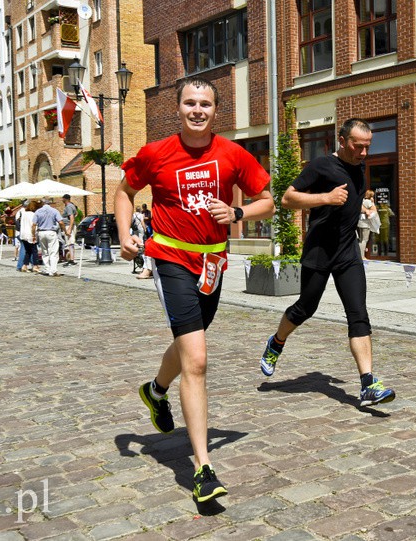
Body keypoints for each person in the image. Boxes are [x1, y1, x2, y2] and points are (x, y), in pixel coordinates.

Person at [115, 76, 274, 503]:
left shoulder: (233, 153)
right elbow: (125, 191)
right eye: (190, 103)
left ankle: (155, 391)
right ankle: (203, 469)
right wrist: (126, 233)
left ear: (215, 110)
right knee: (198, 360)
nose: (197, 110)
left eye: (205, 104)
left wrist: (238, 210)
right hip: (170, 258)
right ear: (178, 108)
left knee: (190, 346)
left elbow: (268, 200)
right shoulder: (156, 153)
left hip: (212, 261)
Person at [259, 118, 396, 408]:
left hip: (347, 253)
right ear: (343, 141)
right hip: (319, 251)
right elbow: (287, 198)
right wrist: (326, 198)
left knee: (358, 314)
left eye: (367, 147)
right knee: (305, 308)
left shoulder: (359, 167)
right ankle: (277, 342)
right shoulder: (321, 165)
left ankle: (368, 383)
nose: (363, 153)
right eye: (358, 146)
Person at [31, 197, 66, 276]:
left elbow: (33, 225)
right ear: (50, 203)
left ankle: (47, 268)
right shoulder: (54, 211)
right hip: (51, 231)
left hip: (41, 232)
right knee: (53, 252)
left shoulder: (38, 211)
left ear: (42, 203)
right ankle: (53, 270)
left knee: (45, 252)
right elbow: (60, 222)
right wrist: (64, 230)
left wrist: (33, 235)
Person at [17, 200, 40, 273]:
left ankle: (24, 265)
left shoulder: (24, 214)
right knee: (34, 251)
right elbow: (33, 225)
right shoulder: (33, 214)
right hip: (30, 234)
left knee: (28, 251)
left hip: (23, 234)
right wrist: (34, 235)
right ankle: (35, 266)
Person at [357, 189, 376, 258]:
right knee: (365, 240)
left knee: (361, 239)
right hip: (366, 223)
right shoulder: (369, 202)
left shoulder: (362, 201)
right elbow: (374, 211)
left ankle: (360, 255)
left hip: (360, 222)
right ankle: (362, 256)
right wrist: (373, 203)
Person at [61, 194, 78, 266]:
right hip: (70, 225)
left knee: (70, 242)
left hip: (68, 226)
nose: (61, 200)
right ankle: (71, 258)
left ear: (65, 199)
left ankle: (72, 259)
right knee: (70, 242)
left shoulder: (68, 206)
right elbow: (76, 214)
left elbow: (71, 217)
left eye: (62, 198)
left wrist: (69, 229)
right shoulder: (72, 205)